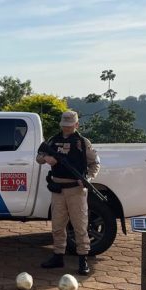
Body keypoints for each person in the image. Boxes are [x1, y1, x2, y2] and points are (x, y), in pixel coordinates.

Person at [37, 110, 100, 275]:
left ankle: (83, 259)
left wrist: (88, 178)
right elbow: (38, 157)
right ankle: (58, 256)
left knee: (80, 226)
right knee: (57, 225)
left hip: (76, 189)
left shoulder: (82, 142)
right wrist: (46, 159)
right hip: (57, 189)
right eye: (64, 125)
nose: (66, 128)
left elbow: (95, 164)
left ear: (76, 125)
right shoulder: (53, 140)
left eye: (70, 125)